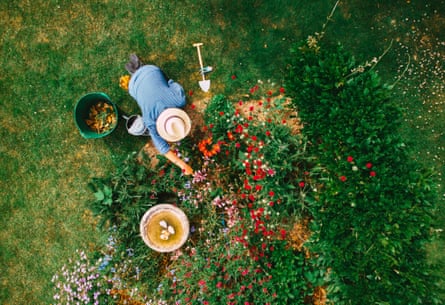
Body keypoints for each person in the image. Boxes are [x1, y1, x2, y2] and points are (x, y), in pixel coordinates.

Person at [125, 54, 194, 175]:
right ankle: (137, 71)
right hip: (133, 86)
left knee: (154, 83)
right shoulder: (149, 120)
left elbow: (172, 83)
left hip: (152, 70)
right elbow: (162, 147)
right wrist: (182, 165)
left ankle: (139, 70)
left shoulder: (179, 100)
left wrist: (184, 165)